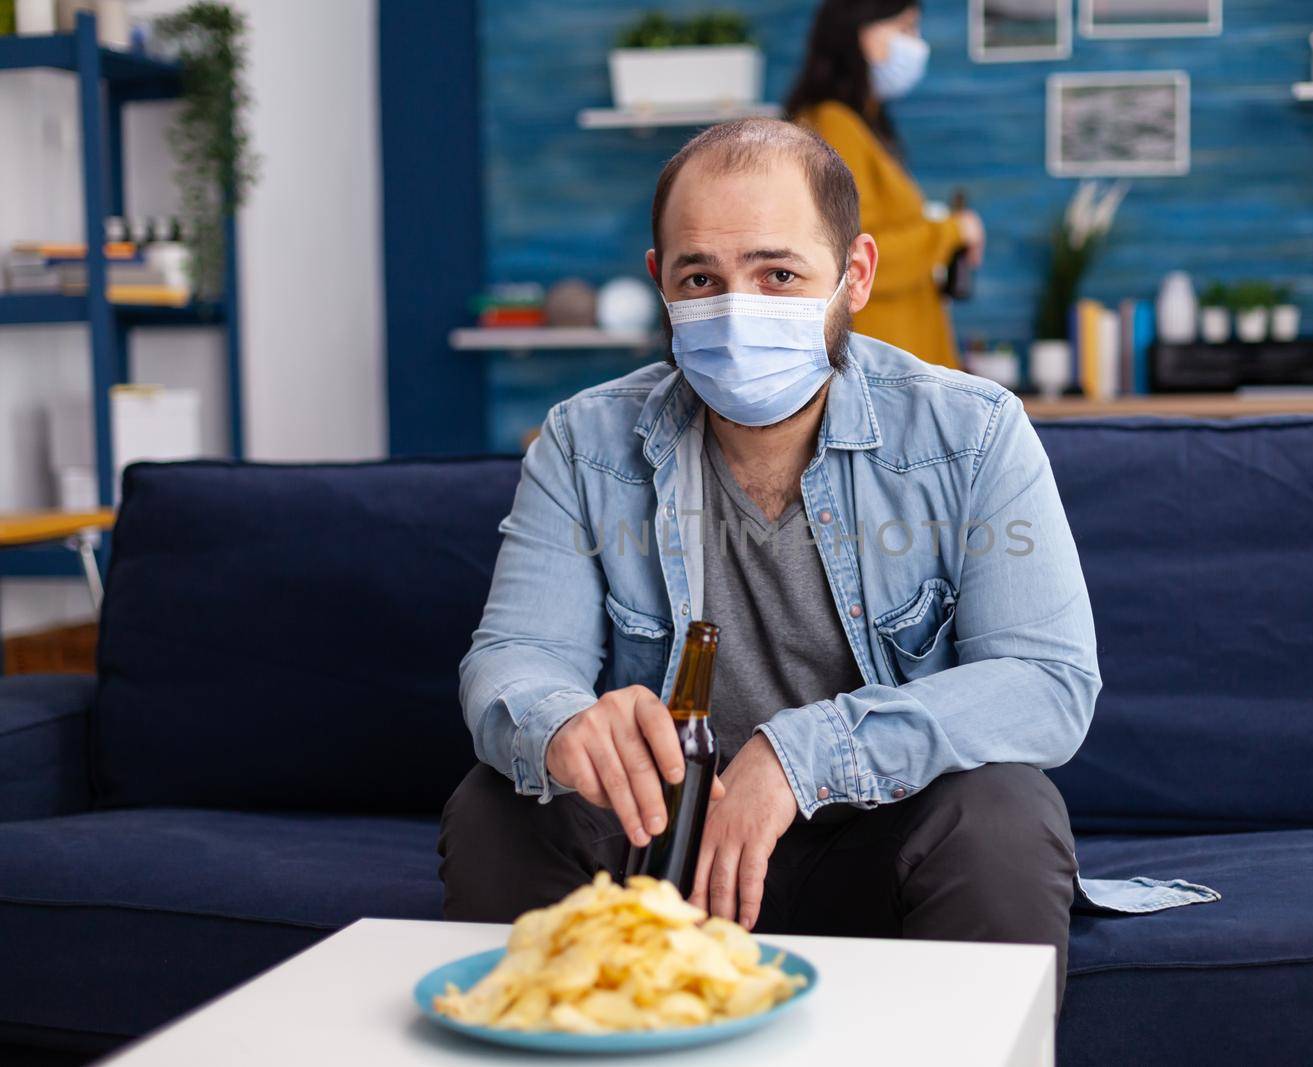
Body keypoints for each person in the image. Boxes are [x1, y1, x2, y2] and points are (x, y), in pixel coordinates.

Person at [437, 119, 1215, 1011]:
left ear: (855, 276)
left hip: (881, 851)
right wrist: (563, 723)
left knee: (1005, 809)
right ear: (661, 285)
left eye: (778, 274)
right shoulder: (582, 443)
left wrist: (803, 755)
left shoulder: (971, 433)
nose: (736, 307)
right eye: (702, 277)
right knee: (500, 799)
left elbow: (1048, 682)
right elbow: (511, 658)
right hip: (665, 861)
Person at [784, 0, 982, 368]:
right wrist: (953, 231)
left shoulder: (860, 126)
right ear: (857, 31)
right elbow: (850, 258)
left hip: (892, 364)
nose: (917, 44)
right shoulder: (833, 125)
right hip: (878, 369)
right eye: (905, 28)